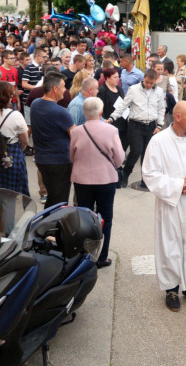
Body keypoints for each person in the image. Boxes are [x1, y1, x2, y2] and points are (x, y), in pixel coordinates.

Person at [143, 100, 186, 310]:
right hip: (170, 203)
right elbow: (150, 173)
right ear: (177, 117)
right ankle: (171, 289)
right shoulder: (159, 141)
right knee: (170, 245)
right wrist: (176, 185)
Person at [70, 97, 124, 269]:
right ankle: (101, 257)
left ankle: (83, 255)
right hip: (106, 179)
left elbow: (72, 155)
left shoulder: (76, 131)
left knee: (84, 218)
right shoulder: (111, 130)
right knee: (105, 218)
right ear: (101, 113)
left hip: (82, 179)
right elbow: (120, 157)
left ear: (84, 113)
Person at [108, 69, 166, 189]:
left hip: (151, 125)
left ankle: (145, 179)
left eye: (151, 83)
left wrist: (160, 125)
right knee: (136, 151)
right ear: (143, 79)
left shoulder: (159, 91)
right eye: (147, 82)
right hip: (135, 125)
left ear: (155, 82)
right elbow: (123, 105)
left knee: (147, 153)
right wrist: (112, 117)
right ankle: (126, 173)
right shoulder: (134, 89)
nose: (148, 85)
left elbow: (161, 108)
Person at [30, 72, 75, 208]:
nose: (65, 90)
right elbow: (76, 135)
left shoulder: (35, 104)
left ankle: (47, 225)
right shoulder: (60, 112)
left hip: (42, 159)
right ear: (55, 88)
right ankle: (52, 227)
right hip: (59, 161)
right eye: (63, 86)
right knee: (59, 201)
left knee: (52, 197)